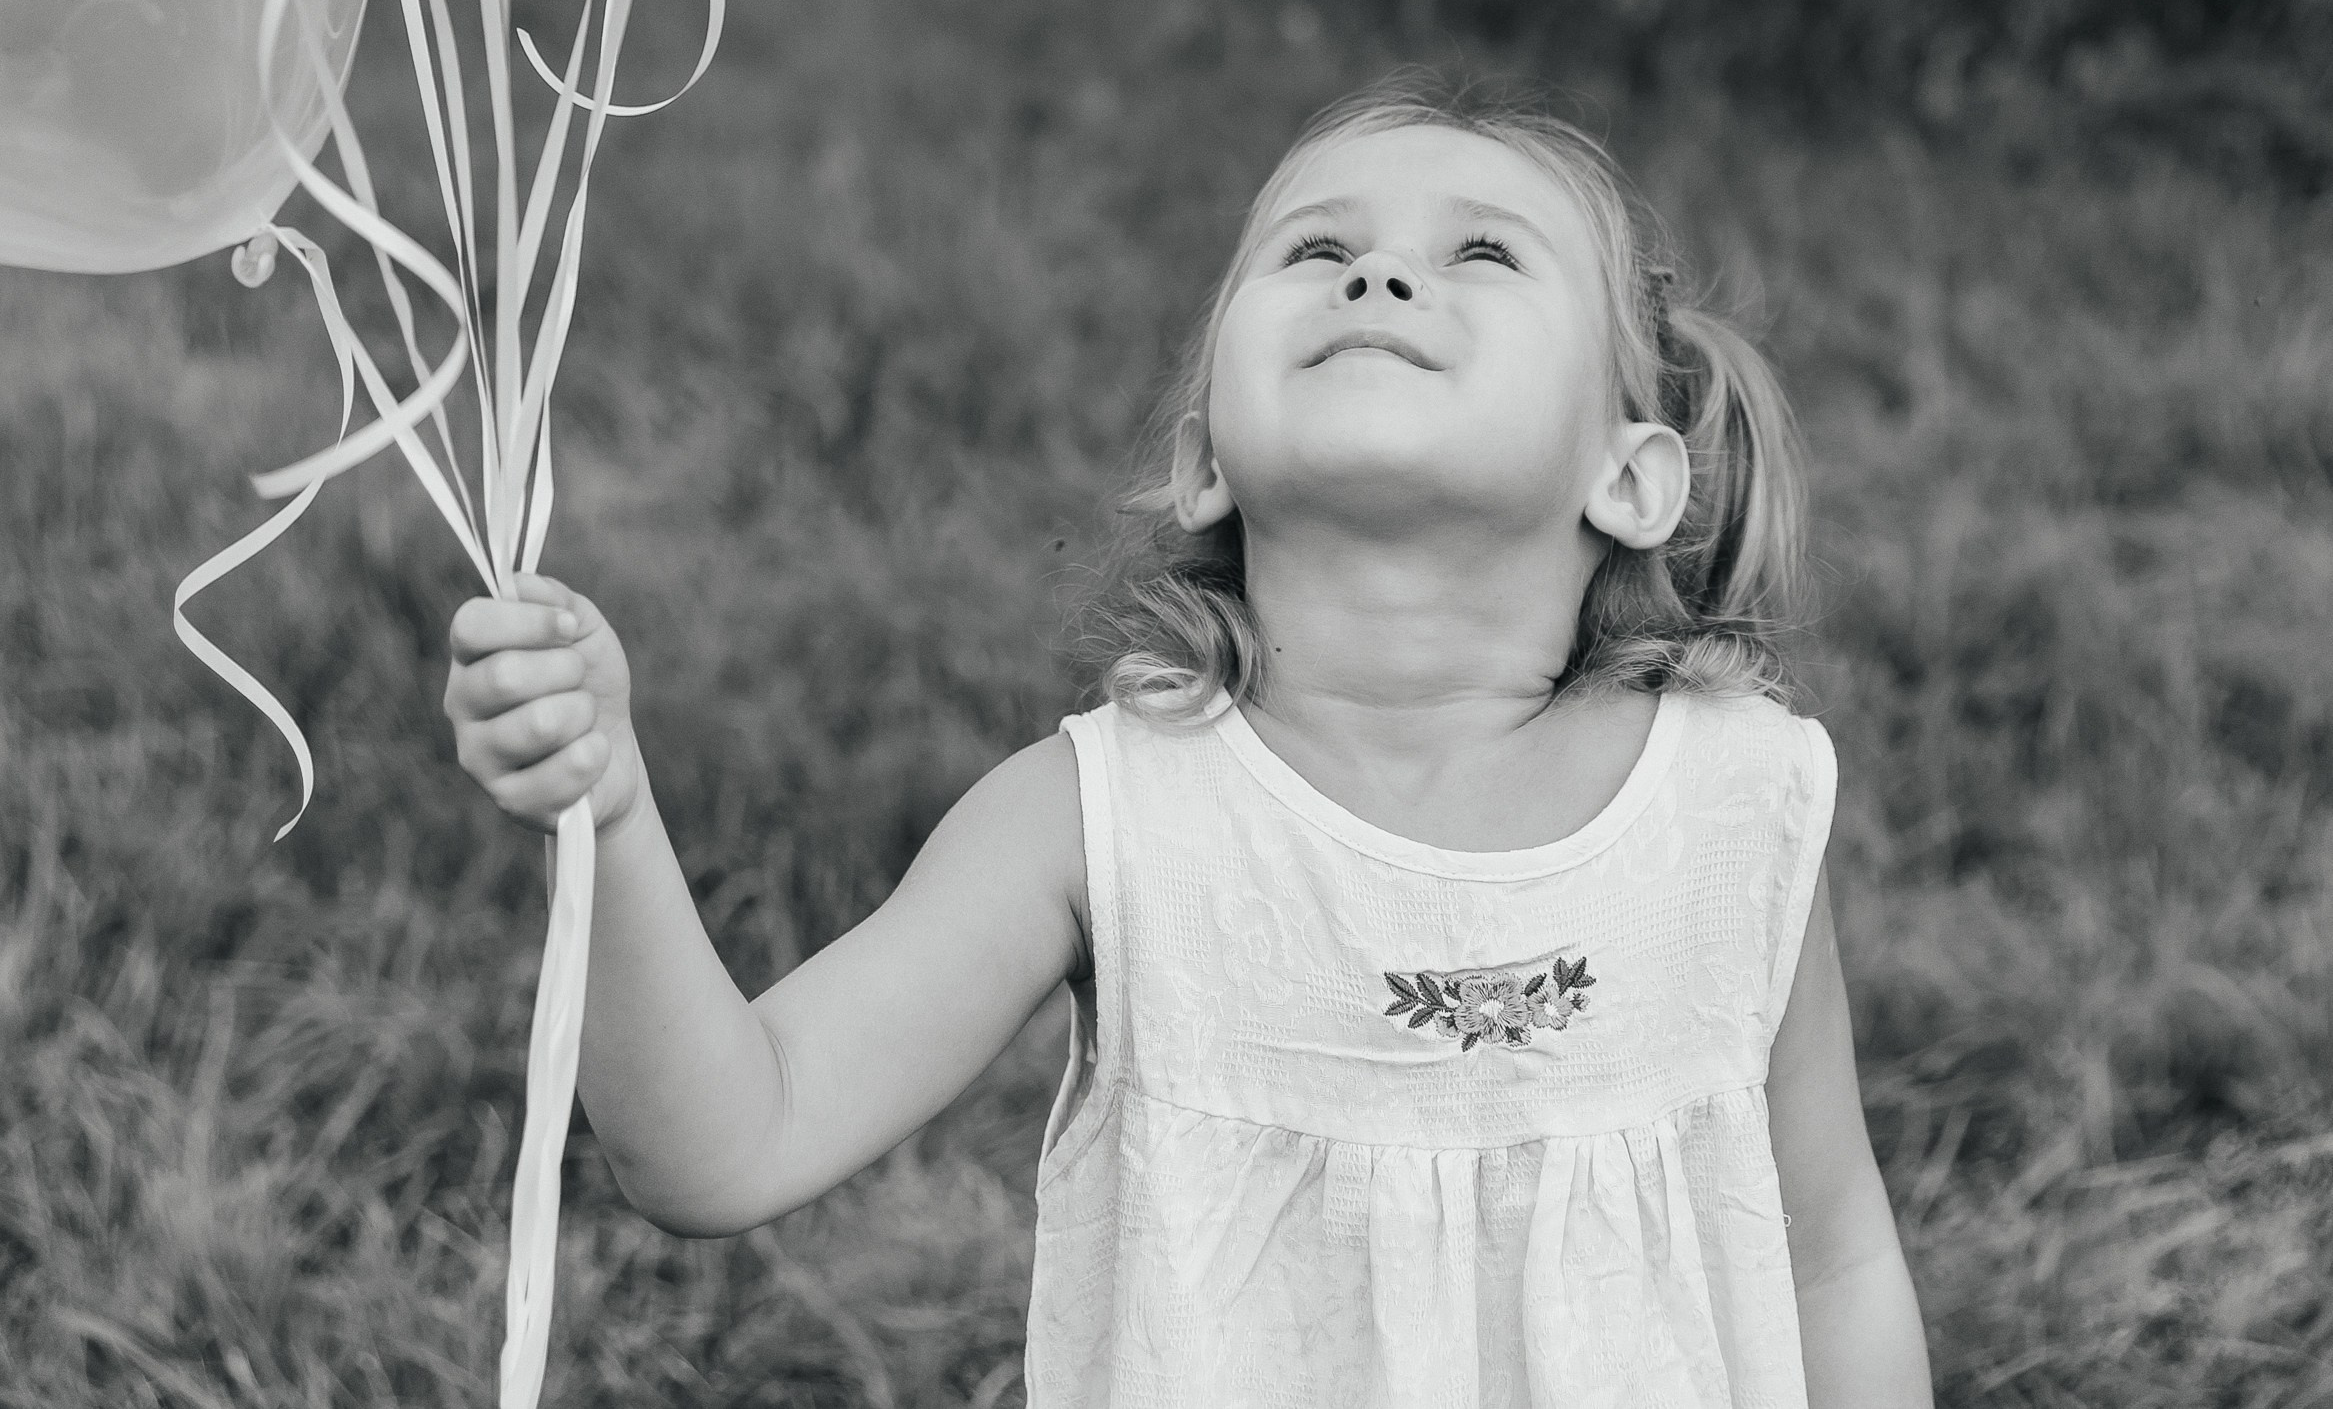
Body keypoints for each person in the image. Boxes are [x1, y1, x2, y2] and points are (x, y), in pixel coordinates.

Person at [445, 76, 1933, 1406]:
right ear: (1203, 457)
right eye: (1311, 248)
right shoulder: (1104, 817)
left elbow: (1828, 1256)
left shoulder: (1731, 806)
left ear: (1633, 477)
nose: (1380, 269)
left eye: (1480, 250)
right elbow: (729, 1145)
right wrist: (614, 815)